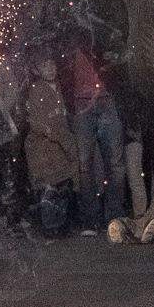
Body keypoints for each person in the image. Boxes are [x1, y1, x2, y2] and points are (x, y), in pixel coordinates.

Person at [60, 21, 127, 235]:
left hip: (107, 99)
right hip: (81, 103)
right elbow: (64, 67)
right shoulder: (71, 30)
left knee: (114, 163)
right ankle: (91, 219)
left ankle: (113, 217)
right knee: (85, 164)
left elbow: (120, 57)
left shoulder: (104, 23)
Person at [22, 48, 81, 236]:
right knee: (49, 187)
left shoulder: (59, 88)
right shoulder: (36, 90)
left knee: (62, 186)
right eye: (45, 66)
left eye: (52, 65)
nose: (50, 69)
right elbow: (37, 122)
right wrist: (55, 135)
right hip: (44, 147)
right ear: (38, 70)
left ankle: (60, 225)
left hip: (59, 144)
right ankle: (49, 226)